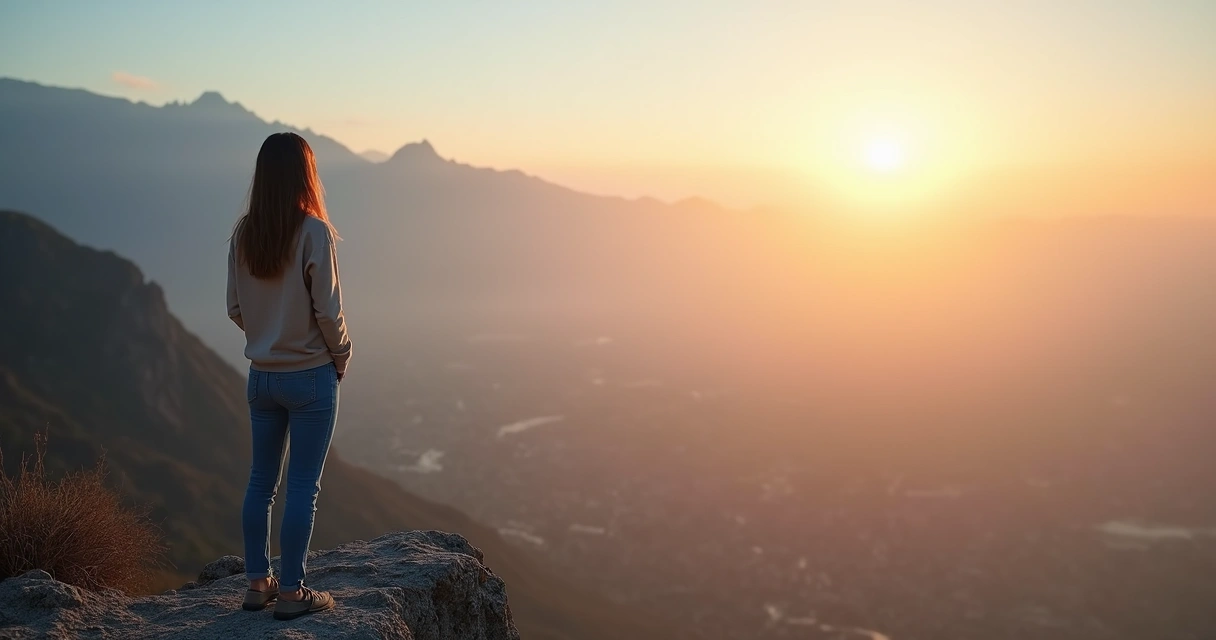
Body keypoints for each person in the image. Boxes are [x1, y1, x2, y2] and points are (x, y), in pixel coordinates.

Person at [226, 132, 352, 620]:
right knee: (303, 485)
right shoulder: (314, 232)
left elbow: (235, 306)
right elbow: (329, 311)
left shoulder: (244, 234)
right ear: (305, 174)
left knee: (261, 482)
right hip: (310, 376)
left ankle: (258, 583)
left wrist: (265, 334)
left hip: (262, 378)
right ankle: (294, 592)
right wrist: (340, 355)